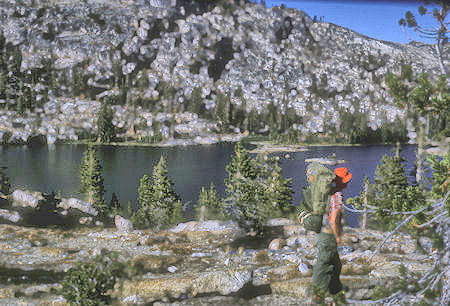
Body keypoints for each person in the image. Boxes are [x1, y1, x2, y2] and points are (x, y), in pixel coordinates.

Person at [311, 167, 352, 304]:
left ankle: (337, 294)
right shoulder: (338, 195)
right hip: (329, 236)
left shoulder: (329, 193)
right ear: (342, 181)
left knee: (336, 265)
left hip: (323, 233)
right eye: (346, 179)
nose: (348, 182)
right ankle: (317, 297)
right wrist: (338, 236)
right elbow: (334, 219)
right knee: (324, 266)